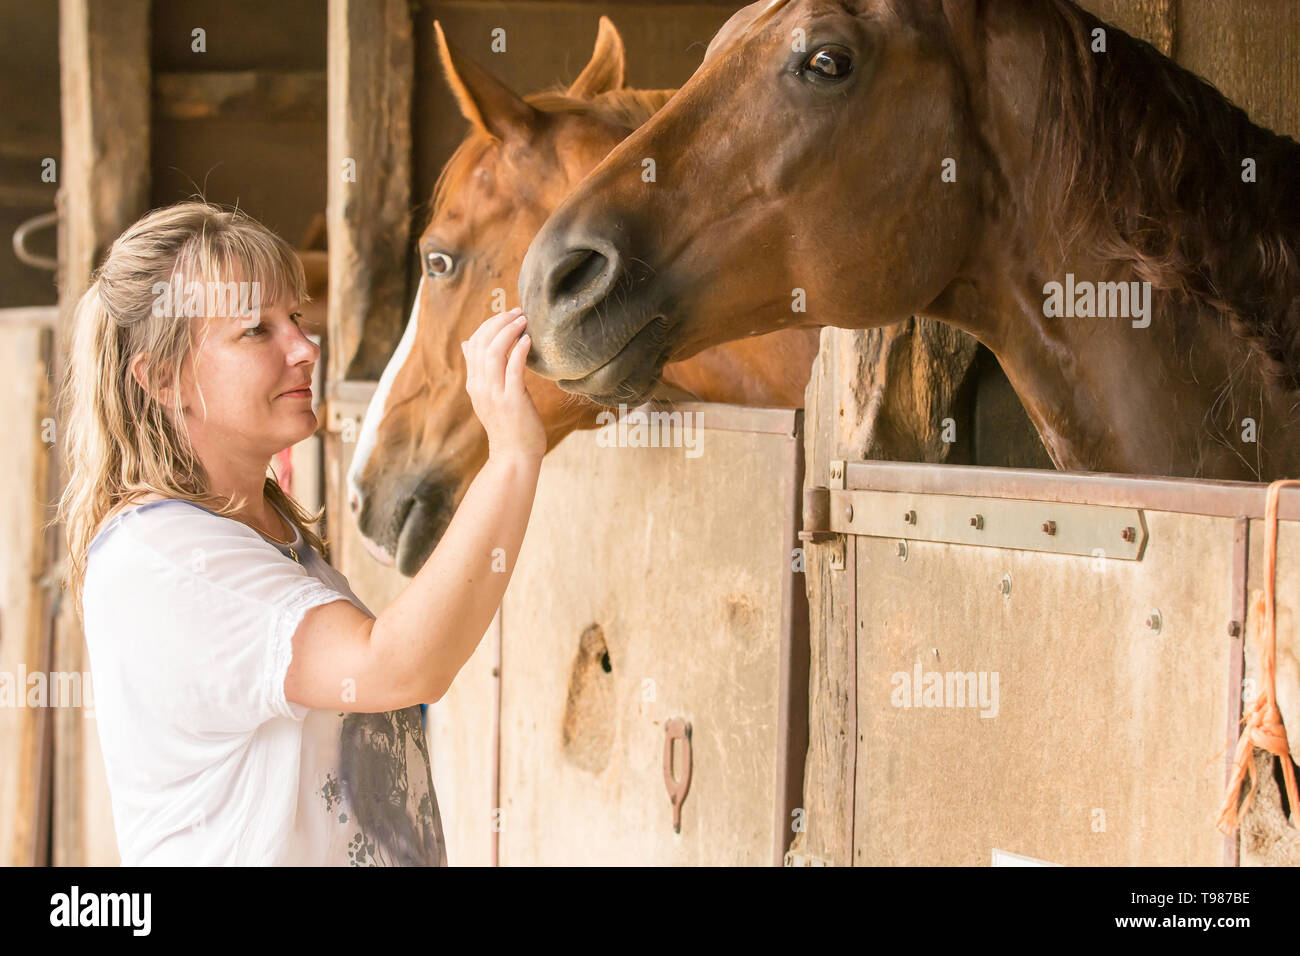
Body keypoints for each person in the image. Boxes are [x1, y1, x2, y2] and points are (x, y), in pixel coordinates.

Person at [55, 201, 546, 865]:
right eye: (256, 331)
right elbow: (399, 666)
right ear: (163, 378)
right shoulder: (170, 557)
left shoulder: (259, 530)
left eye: (295, 317)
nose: (305, 347)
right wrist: (512, 454)